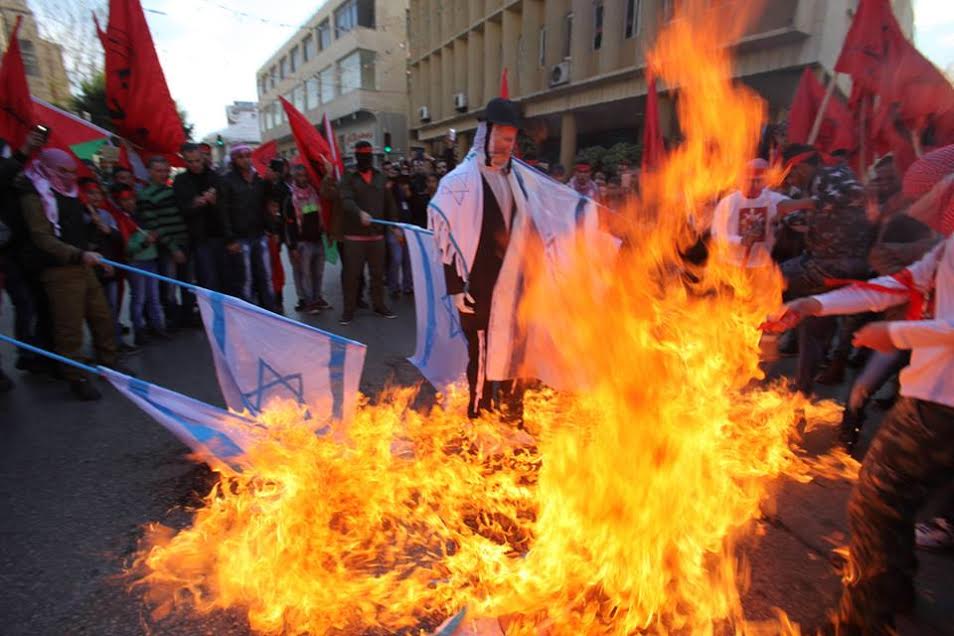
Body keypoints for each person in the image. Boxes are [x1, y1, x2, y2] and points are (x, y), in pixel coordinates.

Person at [764, 146, 954, 634]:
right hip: (932, 395)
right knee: (894, 498)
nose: (918, 203)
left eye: (926, 191)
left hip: (942, 404)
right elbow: (895, 286)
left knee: (877, 496)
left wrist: (895, 335)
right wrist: (813, 304)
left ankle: (864, 620)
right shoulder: (947, 246)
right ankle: (893, 591)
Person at [430, 98, 534, 420]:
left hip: (515, 286)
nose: (507, 145)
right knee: (483, 354)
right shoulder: (459, 183)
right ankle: (479, 416)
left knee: (516, 352)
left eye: (512, 138)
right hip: (479, 287)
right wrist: (456, 287)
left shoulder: (519, 179)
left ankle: (513, 415)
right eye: (502, 137)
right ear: (485, 133)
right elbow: (446, 239)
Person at [20, 149, 119, 401]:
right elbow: (42, 237)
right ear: (48, 168)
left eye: (72, 172)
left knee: (102, 317)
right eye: (63, 171)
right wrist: (77, 254)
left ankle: (110, 366)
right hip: (59, 269)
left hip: (83, 265)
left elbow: (77, 231)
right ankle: (76, 377)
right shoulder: (35, 194)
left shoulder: (72, 192)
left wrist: (94, 255)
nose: (69, 176)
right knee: (69, 328)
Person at [777, 144, 876, 395]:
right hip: (825, 264)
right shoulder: (818, 181)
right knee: (813, 327)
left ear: (800, 167)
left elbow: (855, 194)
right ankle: (802, 390)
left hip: (835, 265)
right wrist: (789, 217)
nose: (791, 181)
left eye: (791, 174)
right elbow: (823, 217)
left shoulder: (833, 175)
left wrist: (800, 204)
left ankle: (761, 332)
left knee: (765, 278)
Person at [1, 128, 48, 376]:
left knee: (36, 301)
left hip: (27, 248)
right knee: (24, 302)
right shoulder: (8, 168)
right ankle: (26, 353)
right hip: (8, 252)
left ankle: (36, 350)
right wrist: (24, 151)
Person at [337, 140, 399, 325]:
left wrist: (394, 227)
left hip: (377, 237)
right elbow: (345, 200)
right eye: (362, 156)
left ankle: (378, 304)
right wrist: (359, 212)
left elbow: (390, 203)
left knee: (378, 274)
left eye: (368, 156)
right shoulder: (348, 177)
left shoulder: (381, 177)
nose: (366, 159)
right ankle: (348, 310)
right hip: (354, 237)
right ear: (357, 157)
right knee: (352, 275)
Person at [79, 178, 137, 354]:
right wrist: (91, 226)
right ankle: (101, 348)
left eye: (98, 193)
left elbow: (118, 239)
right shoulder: (78, 216)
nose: (95, 197)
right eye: (90, 193)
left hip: (109, 268)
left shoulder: (105, 215)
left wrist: (108, 230)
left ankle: (115, 344)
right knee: (96, 313)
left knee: (112, 308)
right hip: (91, 271)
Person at [217, 145, 275, 311]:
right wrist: (230, 239)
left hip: (259, 234)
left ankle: (270, 310)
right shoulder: (227, 180)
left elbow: (268, 203)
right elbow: (223, 212)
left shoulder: (259, 178)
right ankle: (247, 314)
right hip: (240, 238)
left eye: (248, 155)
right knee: (245, 279)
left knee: (265, 276)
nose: (246, 159)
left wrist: (271, 182)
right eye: (241, 156)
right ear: (234, 159)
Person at [138, 157, 191, 329]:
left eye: (165, 171)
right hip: (168, 247)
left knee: (187, 282)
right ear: (150, 172)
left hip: (184, 242)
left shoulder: (171, 190)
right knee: (169, 285)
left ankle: (186, 316)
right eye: (158, 171)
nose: (163, 174)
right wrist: (173, 248)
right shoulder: (146, 196)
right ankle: (171, 319)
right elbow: (155, 226)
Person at [710, 158, 790, 268]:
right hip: (731, 264)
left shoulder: (774, 200)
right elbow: (716, 234)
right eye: (749, 180)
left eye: (759, 180)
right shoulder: (728, 202)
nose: (753, 185)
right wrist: (740, 240)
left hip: (762, 265)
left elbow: (797, 213)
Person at [173, 142, 226, 293]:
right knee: (208, 279)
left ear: (202, 158)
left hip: (220, 235)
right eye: (190, 161)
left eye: (197, 160)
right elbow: (182, 208)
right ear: (184, 160)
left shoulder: (215, 176)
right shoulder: (180, 181)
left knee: (226, 278)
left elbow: (226, 206)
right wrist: (195, 203)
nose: (195, 164)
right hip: (199, 238)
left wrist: (215, 202)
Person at [120, 183, 168, 345]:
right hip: (136, 263)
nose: (129, 202)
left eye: (131, 198)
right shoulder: (122, 220)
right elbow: (127, 247)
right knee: (139, 298)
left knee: (154, 297)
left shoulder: (143, 216)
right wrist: (145, 243)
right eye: (124, 200)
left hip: (151, 260)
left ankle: (157, 326)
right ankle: (139, 331)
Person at [289, 163, 331, 313]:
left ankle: (317, 297)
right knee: (304, 274)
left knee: (318, 272)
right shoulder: (290, 197)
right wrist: (292, 246)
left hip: (317, 239)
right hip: (302, 242)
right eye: (299, 175)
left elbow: (320, 214)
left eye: (305, 175)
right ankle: (309, 302)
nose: (303, 178)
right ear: (294, 177)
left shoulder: (314, 192)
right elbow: (289, 224)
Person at [264, 157, 293, 313]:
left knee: (275, 267)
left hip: (278, 232)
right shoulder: (264, 186)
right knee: (269, 267)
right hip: (268, 232)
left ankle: (277, 298)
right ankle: (271, 297)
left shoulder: (284, 189)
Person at [387, 177, 414, 297]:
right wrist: (393, 229)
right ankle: (394, 287)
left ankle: (407, 286)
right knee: (397, 259)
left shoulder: (405, 200)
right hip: (394, 231)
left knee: (407, 260)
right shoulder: (388, 200)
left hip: (407, 231)